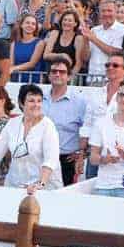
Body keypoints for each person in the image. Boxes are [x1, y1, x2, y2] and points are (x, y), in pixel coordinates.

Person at [0, 83, 61, 193]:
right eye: (31, 101)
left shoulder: (48, 126)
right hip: (14, 187)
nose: (36, 105)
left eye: (39, 101)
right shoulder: (12, 123)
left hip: (44, 189)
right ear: (21, 103)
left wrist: (40, 184)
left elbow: (51, 161)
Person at [43, 55, 88, 186]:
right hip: (41, 158)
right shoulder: (40, 100)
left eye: (62, 72)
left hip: (66, 160)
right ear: (49, 75)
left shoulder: (80, 102)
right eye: (54, 71)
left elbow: (88, 129)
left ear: (69, 76)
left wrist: (82, 152)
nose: (57, 74)